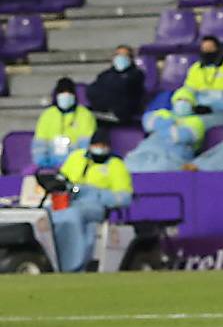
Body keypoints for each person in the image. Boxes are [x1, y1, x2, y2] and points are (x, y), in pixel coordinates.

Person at [51, 130, 133, 272]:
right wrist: (70, 188)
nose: (99, 148)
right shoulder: (76, 157)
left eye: (103, 145)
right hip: (70, 201)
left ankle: (70, 265)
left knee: (73, 215)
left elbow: (125, 197)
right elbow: (61, 179)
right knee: (48, 214)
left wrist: (96, 194)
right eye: (96, 145)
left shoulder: (115, 165)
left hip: (96, 207)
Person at [125, 87, 205, 172]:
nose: (182, 103)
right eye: (179, 99)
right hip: (149, 149)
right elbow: (147, 123)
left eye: (186, 100)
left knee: (158, 170)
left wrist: (161, 124)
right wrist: (172, 126)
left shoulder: (197, 121)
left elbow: (181, 136)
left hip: (175, 156)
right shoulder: (164, 112)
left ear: (192, 104)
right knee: (128, 166)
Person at [31, 77, 97, 169]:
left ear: (74, 95)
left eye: (69, 92)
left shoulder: (85, 115)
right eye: (62, 92)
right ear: (57, 95)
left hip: (77, 166)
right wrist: (43, 164)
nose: (65, 95)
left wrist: (77, 164)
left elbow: (86, 145)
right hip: (50, 166)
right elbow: (40, 143)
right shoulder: (47, 115)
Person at [182, 35, 223, 128]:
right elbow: (187, 92)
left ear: (218, 49)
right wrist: (185, 104)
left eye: (210, 48)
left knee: (194, 123)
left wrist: (211, 108)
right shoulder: (195, 68)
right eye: (204, 48)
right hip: (198, 112)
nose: (207, 51)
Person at [86, 44, 146, 124]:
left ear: (131, 59)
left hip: (124, 115)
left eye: (125, 55)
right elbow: (92, 90)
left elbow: (125, 89)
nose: (120, 58)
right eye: (118, 55)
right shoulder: (105, 74)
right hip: (103, 110)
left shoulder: (136, 74)